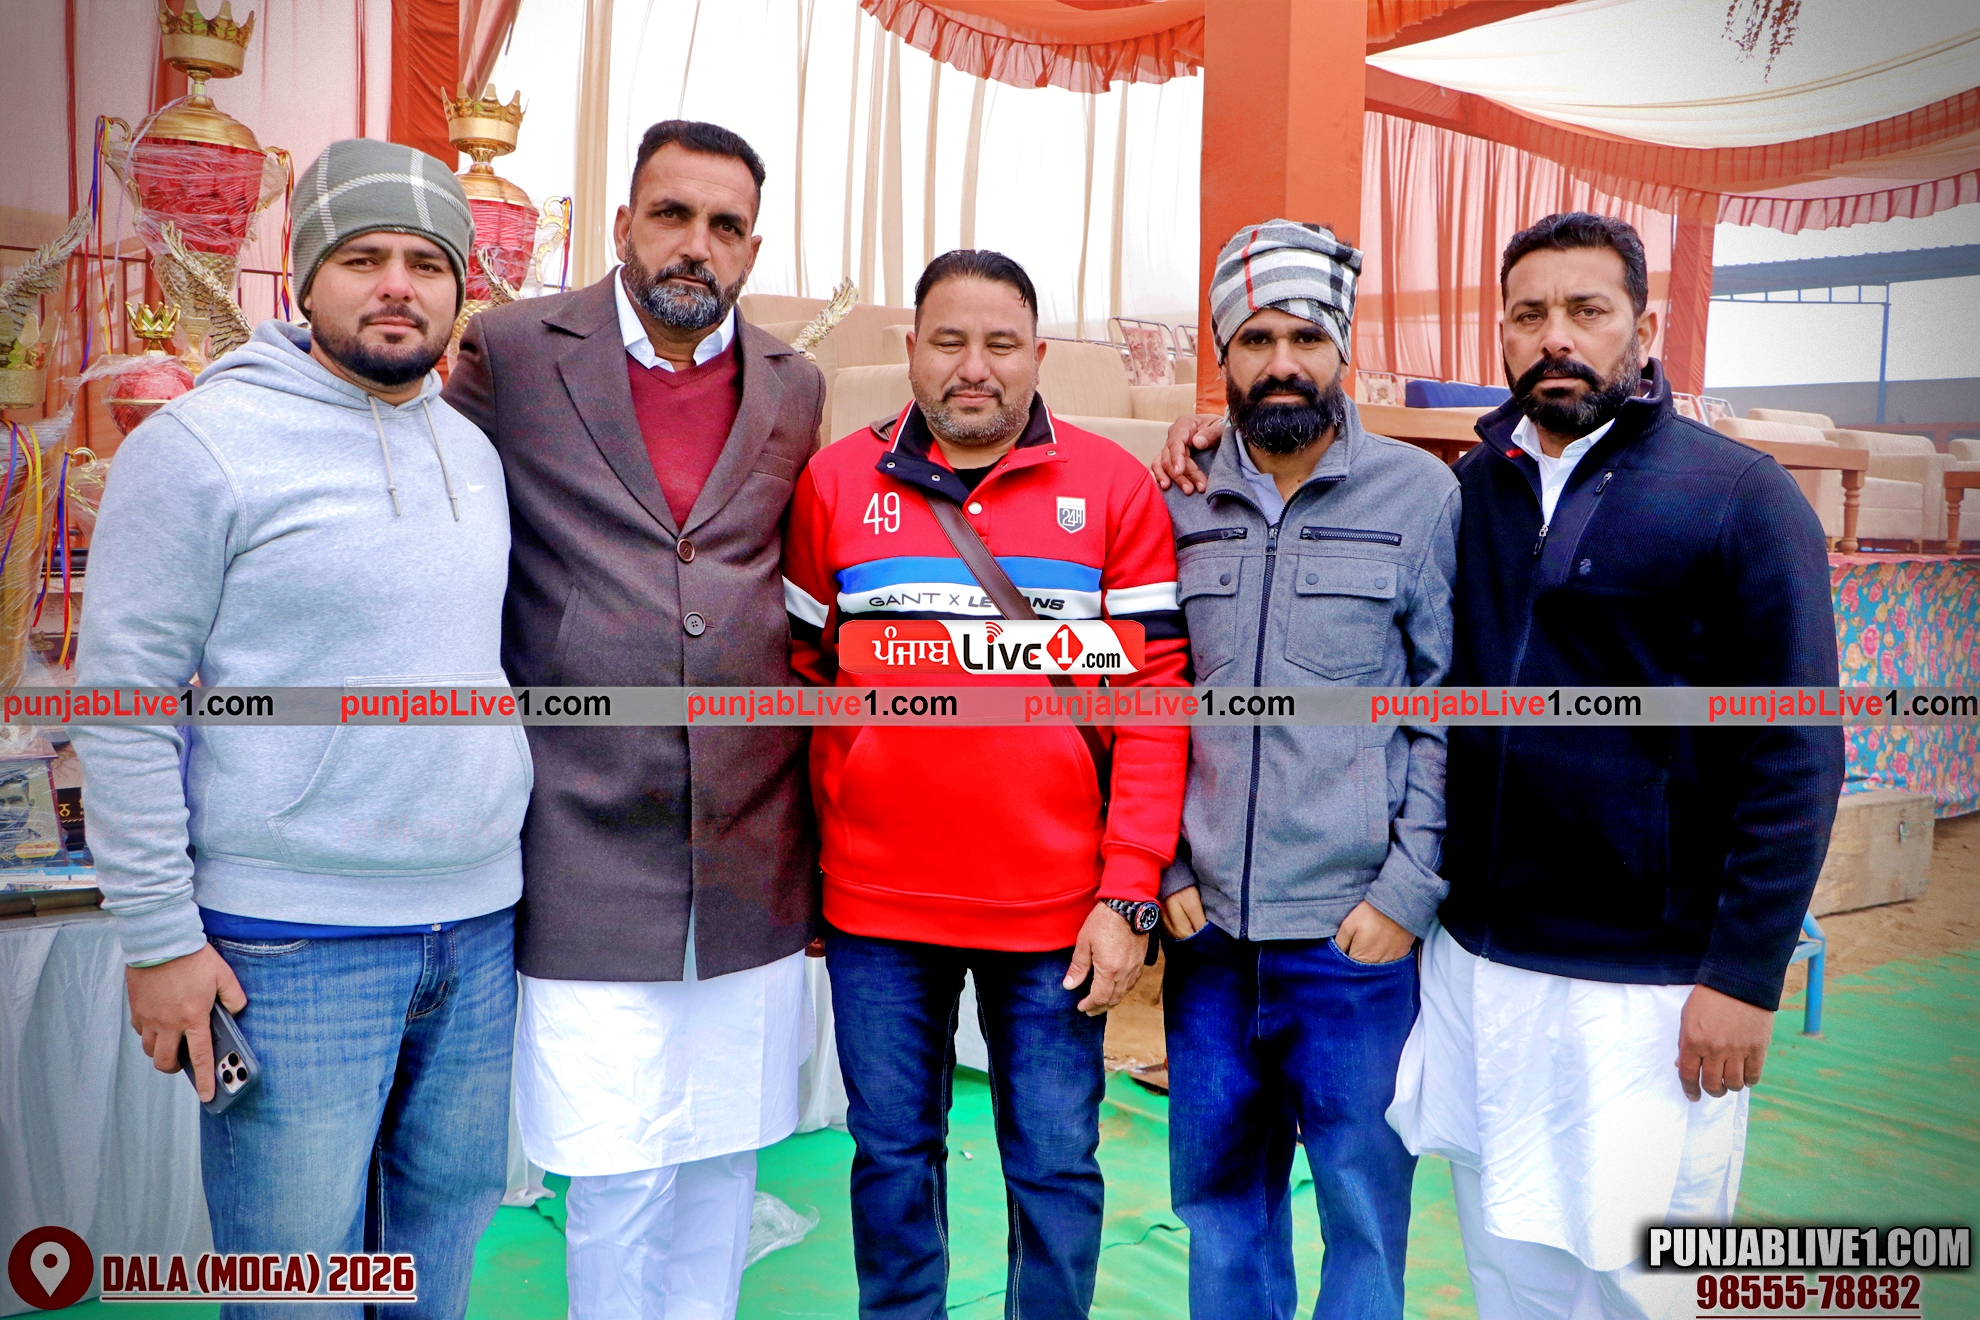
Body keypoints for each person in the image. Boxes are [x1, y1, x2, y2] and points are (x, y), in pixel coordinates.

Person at [73, 139, 527, 1320]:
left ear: (460, 288)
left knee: (439, 1258)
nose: (398, 286)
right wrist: (160, 941)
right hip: (291, 949)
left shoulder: (475, 453)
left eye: (427, 262)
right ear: (302, 276)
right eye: (363, 258)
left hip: (479, 934)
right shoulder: (200, 447)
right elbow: (120, 704)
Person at [443, 120, 822, 1320]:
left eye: (725, 226)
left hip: (751, 843)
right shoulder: (512, 352)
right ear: (622, 224)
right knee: (611, 1168)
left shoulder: (795, 386)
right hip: (583, 832)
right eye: (672, 215)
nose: (696, 245)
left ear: (752, 248)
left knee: (723, 1155)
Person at [782, 249, 1189, 1319]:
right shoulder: (835, 485)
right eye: (949, 342)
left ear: (1037, 354)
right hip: (877, 909)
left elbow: (1155, 699)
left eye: (1001, 344)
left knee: (1054, 1166)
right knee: (891, 1159)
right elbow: (802, 684)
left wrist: (1129, 891)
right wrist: (807, 874)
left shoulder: (1113, 489)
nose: (975, 368)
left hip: (1059, 914)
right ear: (911, 350)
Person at [1156, 221, 1458, 1320]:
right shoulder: (1177, 499)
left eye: (1305, 338)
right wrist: (1165, 871)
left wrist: (1406, 893)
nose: (1282, 362)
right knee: (1220, 1211)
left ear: (1344, 350)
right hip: (1208, 945)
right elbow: (1147, 702)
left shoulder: (1419, 497)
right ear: (1222, 356)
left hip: (1351, 944)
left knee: (1363, 1217)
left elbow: (1449, 711)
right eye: (1256, 340)